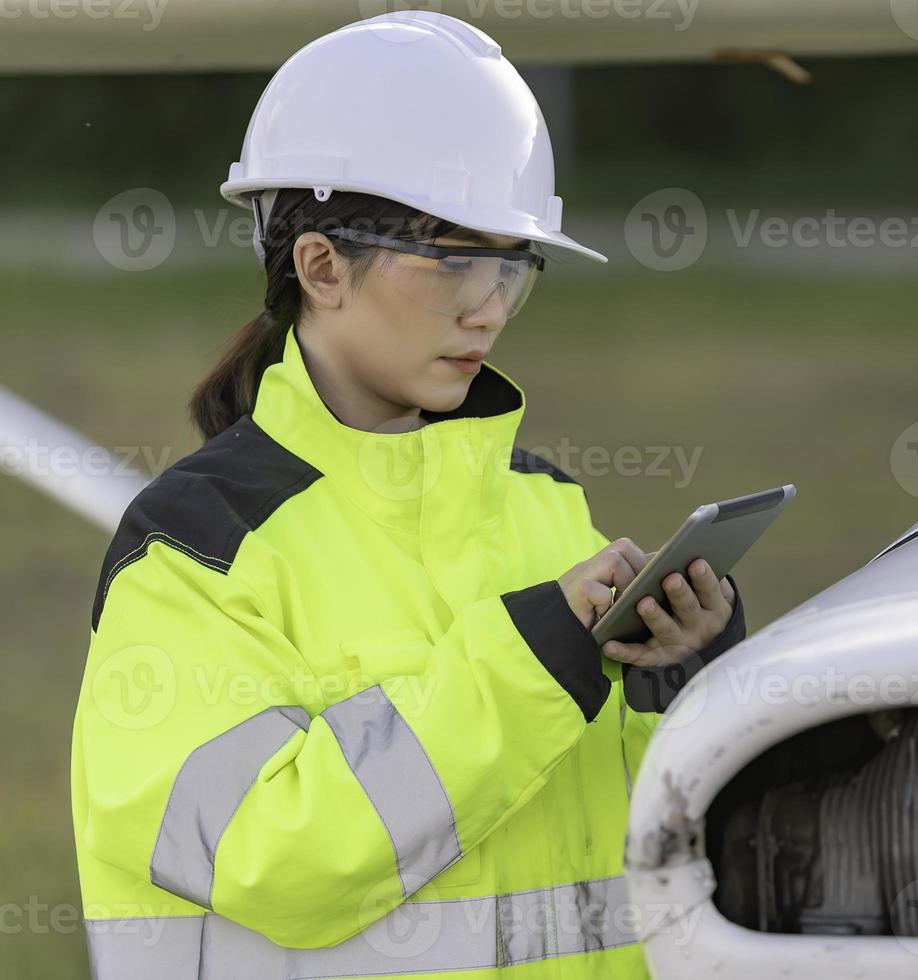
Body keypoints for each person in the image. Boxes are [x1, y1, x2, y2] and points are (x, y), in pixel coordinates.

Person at [70, 11, 744, 978]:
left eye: (513, 266)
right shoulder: (195, 546)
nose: (490, 307)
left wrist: (686, 682)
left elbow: (632, 846)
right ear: (320, 266)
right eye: (454, 261)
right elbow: (272, 857)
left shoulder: (547, 510)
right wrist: (529, 666)